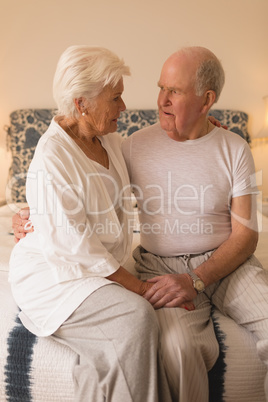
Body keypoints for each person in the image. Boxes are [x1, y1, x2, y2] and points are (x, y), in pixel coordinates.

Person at [8, 45, 173, 402]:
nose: (124, 108)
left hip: (94, 270)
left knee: (125, 337)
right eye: (115, 99)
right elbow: (76, 248)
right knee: (136, 317)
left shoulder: (110, 141)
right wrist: (140, 289)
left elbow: (156, 150)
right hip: (55, 274)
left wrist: (205, 132)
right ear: (81, 103)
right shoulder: (51, 157)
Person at [121, 47, 268, 401]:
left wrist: (197, 279)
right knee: (177, 352)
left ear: (207, 100)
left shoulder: (235, 148)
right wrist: (33, 211)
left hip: (230, 263)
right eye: (161, 88)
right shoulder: (131, 147)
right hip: (160, 267)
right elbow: (84, 182)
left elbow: (247, 235)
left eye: (174, 91)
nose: (161, 100)